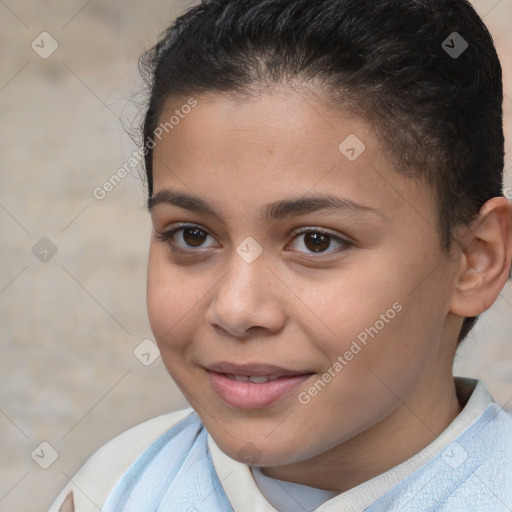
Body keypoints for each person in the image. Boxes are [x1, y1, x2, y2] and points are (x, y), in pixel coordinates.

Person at [49, 0, 512, 510]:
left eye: (317, 240)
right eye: (192, 236)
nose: (236, 309)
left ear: (475, 259)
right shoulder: (116, 487)